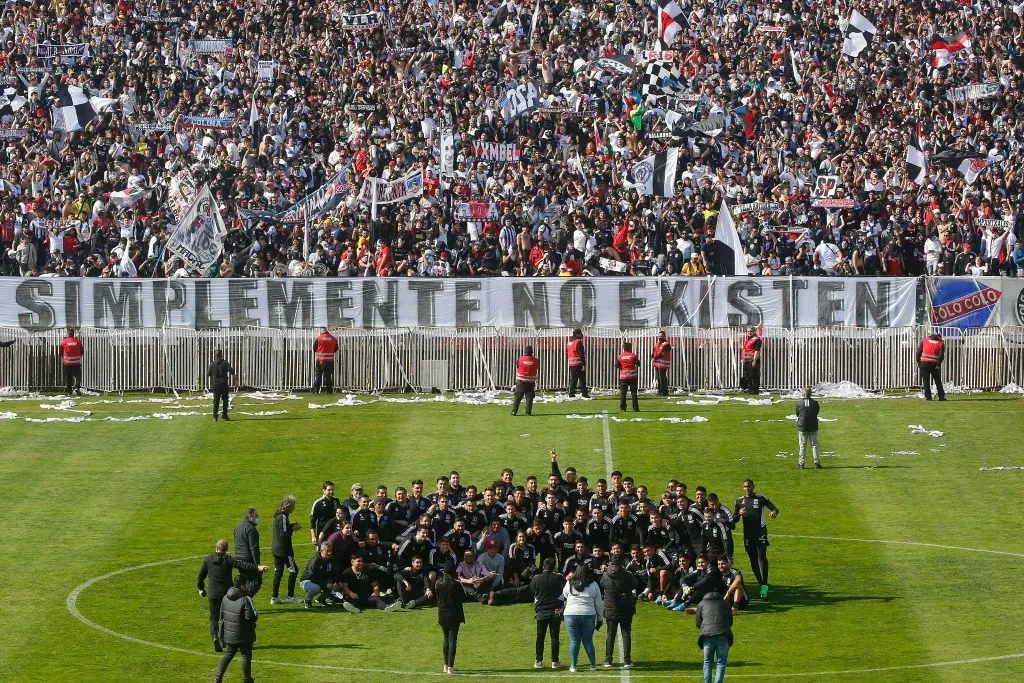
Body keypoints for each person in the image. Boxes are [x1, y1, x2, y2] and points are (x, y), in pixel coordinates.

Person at [197, 540, 268, 652]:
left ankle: (215, 637)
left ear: (216, 548)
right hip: (227, 594)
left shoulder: (208, 559)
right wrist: (257, 567)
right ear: (226, 549)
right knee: (226, 617)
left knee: (214, 618)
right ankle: (224, 640)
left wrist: (201, 588)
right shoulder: (228, 559)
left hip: (213, 593)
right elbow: (242, 565)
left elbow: (200, 577)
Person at [734, 480, 779, 598]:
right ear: (743, 488)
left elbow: (774, 508)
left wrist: (773, 513)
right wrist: (739, 513)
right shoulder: (739, 501)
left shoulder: (760, 498)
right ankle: (761, 583)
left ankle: (764, 585)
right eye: (745, 486)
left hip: (760, 532)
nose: (747, 488)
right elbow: (734, 520)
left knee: (762, 558)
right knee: (753, 560)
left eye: (749, 486)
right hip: (748, 534)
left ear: (753, 487)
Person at [214, 578, 259, 683]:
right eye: (248, 584)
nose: (249, 586)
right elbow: (251, 617)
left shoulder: (226, 597)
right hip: (244, 635)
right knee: (246, 656)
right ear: (242, 586)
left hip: (229, 634)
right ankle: (247, 679)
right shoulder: (245, 600)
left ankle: (217, 678)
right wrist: (256, 613)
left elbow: (222, 614)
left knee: (228, 654)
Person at [561, 564, 604, 673]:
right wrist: (600, 618)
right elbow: (598, 603)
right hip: (588, 614)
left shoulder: (569, 582)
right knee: (588, 640)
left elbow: (565, 595)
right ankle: (593, 665)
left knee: (574, 641)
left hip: (570, 614)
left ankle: (573, 666)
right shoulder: (593, 584)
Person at [600, 550, 638, 669]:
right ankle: (627, 660)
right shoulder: (627, 575)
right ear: (622, 562)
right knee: (626, 633)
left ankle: (608, 660)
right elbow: (634, 584)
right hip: (625, 607)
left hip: (611, 607)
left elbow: (602, 585)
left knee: (610, 634)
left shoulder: (605, 574)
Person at [530, 557, 566, 669]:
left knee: (540, 637)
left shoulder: (536, 578)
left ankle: (538, 661)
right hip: (555, 611)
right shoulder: (559, 577)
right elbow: (564, 590)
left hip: (541, 612)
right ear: (554, 566)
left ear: (543, 566)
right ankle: (555, 662)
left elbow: (533, 590)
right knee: (554, 637)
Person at [695, 589, 734, 683]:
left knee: (707, 662)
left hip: (707, 636)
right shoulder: (725, 603)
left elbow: (698, 622)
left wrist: (705, 628)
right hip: (723, 635)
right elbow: (730, 621)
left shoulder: (701, 603)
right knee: (721, 662)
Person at [435, 561, 466, 675]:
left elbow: (437, 597)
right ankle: (450, 668)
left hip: (442, 614)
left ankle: (445, 665)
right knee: (452, 640)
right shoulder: (456, 583)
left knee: (446, 639)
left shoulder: (438, 583)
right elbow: (464, 596)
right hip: (454, 615)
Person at [271, 495, 302, 604]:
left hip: (275, 549)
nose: (294, 508)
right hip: (284, 550)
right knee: (294, 570)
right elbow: (284, 534)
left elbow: (283, 528)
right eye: (293, 505)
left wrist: (291, 525)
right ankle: (290, 596)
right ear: (288, 505)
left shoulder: (278, 515)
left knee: (278, 572)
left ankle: (274, 597)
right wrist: (293, 528)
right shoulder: (283, 516)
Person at [300, 542, 341, 608]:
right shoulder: (315, 561)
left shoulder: (331, 559)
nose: (330, 553)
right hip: (307, 581)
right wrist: (326, 583)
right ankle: (307, 601)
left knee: (335, 584)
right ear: (321, 550)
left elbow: (334, 573)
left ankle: (321, 600)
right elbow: (313, 577)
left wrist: (335, 582)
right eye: (327, 551)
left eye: (331, 550)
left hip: (321, 580)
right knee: (316, 588)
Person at [233, 508, 263, 595]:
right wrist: (257, 565)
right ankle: (245, 602)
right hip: (248, 560)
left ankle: (240, 602)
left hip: (238, 559)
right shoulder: (251, 529)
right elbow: (254, 549)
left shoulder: (237, 528)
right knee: (257, 581)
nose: (257, 518)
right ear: (250, 517)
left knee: (245, 582)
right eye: (256, 516)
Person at [795, 388, 822, 469]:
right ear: (811, 394)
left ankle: (801, 463)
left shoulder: (799, 403)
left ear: (803, 394)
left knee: (802, 445)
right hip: (813, 426)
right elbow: (816, 412)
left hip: (802, 427)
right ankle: (816, 462)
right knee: (814, 445)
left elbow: (797, 413)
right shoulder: (815, 403)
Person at [310, 481, 342, 546]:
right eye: (329, 490)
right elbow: (312, 521)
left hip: (335, 532)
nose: (331, 492)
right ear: (323, 490)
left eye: (332, 489)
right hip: (322, 533)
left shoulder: (336, 500)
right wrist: (313, 536)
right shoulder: (318, 503)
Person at [511, 344, 539, 416]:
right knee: (529, 398)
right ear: (532, 352)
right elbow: (537, 368)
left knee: (518, 397)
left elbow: (517, 366)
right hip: (531, 381)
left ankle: (514, 412)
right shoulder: (535, 360)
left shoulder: (520, 359)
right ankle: (528, 412)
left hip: (521, 381)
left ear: (525, 352)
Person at [918, 331, 946, 401]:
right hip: (934, 364)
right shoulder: (941, 343)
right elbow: (941, 356)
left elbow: (918, 352)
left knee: (925, 381)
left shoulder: (925, 340)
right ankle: (941, 397)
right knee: (938, 381)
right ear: (939, 337)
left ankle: (928, 397)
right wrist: (938, 364)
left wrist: (918, 361)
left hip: (924, 363)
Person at [208, 349, 234, 421]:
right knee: (225, 400)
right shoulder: (225, 363)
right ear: (221, 355)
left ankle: (215, 416)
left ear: (215, 355)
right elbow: (231, 371)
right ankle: (224, 414)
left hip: (216, 384)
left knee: (216, 400)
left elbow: (208, 374)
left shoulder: (212, 363)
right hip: (224, 384)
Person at [312, 326, 338, 393]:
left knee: (318, 375)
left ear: (321, 331)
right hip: (330, 360)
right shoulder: (333, 338)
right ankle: (329, 391)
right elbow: (336, 348)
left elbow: (314, 349)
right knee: (328, 376)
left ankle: (316, 390)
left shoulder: (319, 338)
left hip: (320, 360)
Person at [566, 329, 590, 399]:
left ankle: (571, 393)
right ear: (577, 334)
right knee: (582, 379)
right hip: (578, 363)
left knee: (574, 379)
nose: (581, 335)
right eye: (580, 334)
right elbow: (581, 355)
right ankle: (584, 394)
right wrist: (584, 365)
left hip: (571, 363)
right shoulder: (578, 342)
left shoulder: (569, 342)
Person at [616, 341, 640, 412]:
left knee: (623, 393)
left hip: (623, 377)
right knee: (634, 393)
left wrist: (621, 366)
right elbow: (638, 363)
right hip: (632, 377)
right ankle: (635, 408)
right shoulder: (633, 355)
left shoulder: (620, 356)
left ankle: (623, 408)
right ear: (630, 348)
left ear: (624, 348)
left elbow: (616, 365)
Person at [61, 328, 83, 396]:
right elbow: (82, 351)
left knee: (68, 377)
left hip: (67, 362)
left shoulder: (64, 342)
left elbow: (60, 351)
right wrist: (78, 357)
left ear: (68, 334)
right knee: (78, 376)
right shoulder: (78, 341)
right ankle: (77, 387)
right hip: (76, 362)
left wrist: (64, 358)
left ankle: (69, 391)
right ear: (73, 334)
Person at [740, 326, 762, 395]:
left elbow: (757, 351)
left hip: (752, 360)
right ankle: (749, 389)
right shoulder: (748, 339)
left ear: (754, 332)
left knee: (754, 375)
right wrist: (743, 359)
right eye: (748, 331)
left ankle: (755, 390)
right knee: (747, 375)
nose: (749, 332)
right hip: (746, 361)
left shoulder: (757, 340)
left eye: (751, 331)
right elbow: (745, 350)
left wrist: (754, 360)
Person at [652, 330, 672, 396]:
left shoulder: (667, 344)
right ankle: (660, 390)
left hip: (663, 364)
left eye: (661, 336)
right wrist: (652, 356)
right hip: (657, 363)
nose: (660, 337)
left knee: (662, 378)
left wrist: (655, 357)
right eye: (659, 336)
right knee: (658, 377)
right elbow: (654, 351)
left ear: (664, 336)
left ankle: (664, 391)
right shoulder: (657, 343)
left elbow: (663, 353)